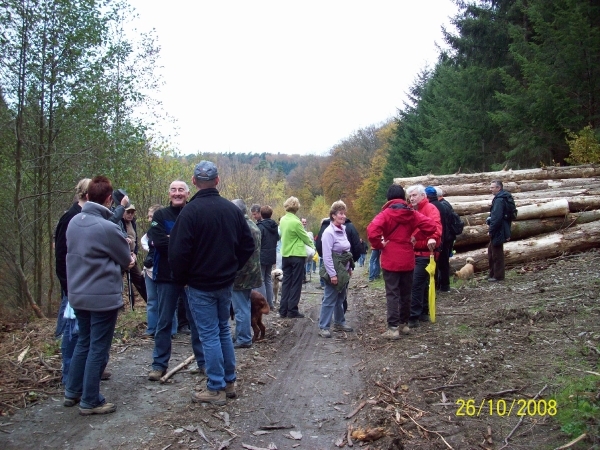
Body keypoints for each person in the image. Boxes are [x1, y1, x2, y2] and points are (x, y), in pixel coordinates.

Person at [169, 160, 255, 405]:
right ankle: (229, 381)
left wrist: (182, 278)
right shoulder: (232, 210)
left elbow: (177, 252)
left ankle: (215, 386)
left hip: (199, 285)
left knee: (209, 334)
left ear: (194, 183)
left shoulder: (189, 212)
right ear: (217, 181)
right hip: (224, 282)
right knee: (221, 331)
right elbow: (248, 245)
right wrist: (232, 267)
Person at [63, 175, 134, 415]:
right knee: (98, 347)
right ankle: (90, 400)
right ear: (107, 199)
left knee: (84, 341)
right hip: (102, 297)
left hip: (78, 295)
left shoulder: (74, 221)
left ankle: (72, 391)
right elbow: (125, 259)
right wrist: (130, 258)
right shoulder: (106, 227)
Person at [147, 181, 205, 382]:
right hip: (166, 276)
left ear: (188, 193)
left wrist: (173, 239)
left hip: (191, 277)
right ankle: (158, 365)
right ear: (169, 192)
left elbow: (200, 244)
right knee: (164, 322)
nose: (177, 193)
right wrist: (182, 241)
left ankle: (203, 363)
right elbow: (159, 243)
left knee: (196, 321)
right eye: (174, 190)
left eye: (181, 190)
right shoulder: (160, 215)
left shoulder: (195, 212)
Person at [367, 184, 438, 339]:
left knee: (392, 293)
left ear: (388, 198)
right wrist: (415, 237)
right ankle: (403, 324)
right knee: (406, 292)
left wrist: (379, 245)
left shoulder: (385, 214)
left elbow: (372, 231)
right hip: (407, 257)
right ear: (404, 197)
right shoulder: (412, 213)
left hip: (391, 257)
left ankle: (393, 328)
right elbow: (431, 226)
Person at [54, 178, 91, 385]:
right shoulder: (70, 218)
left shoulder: (86, 216)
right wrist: (68, 287)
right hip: (73, 286)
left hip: (86, 285)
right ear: (87, 195)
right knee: (72, 332)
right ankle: (70, 376)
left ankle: (85, 371)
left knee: (84, 332)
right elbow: (61, 256)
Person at [406, 185, 442, 328]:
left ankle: (413, 316)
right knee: (422, 283)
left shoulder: (430, 209)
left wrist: (432, 238)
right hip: (414, 252)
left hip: (426, 253)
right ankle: (423, 312)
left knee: (416, 283)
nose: (412, 198)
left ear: (423, 196)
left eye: (414, 195)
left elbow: (436, 227)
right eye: (410, 196)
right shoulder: (411, 210)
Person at [317, 201, 354, 338]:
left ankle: (339, 322)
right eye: (340, 213)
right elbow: (326, 256)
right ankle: (323, 327)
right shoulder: (328, 232)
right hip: (332, 270)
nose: (343, 216)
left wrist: (348, 268)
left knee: (340, 297)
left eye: (344, 213)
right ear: (333, 215)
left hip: (343, 270)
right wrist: (332, 274)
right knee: (329, 298)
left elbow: (346, 251)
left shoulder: (343, 230)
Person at [141, 204, 177, 339]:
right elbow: (147, 243)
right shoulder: (150, 231)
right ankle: (152, 328)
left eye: (152, 216)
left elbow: (165, 243)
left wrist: (163, 241)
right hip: (150, 269)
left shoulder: (166, 225)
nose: (150, 219)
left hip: (164, 269)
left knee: (167, 301)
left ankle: (171, 329)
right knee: (152, 300)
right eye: (149, 216)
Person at [231, 199, 263, 349]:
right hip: (252, 272)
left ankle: (243, 338)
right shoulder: (253, 225)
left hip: (241, 274)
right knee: (244, 303)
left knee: (240, 307)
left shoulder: (238, 227)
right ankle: (240, 334)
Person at [278, 197, 315, 319]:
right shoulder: (296, 222)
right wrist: (313, 247)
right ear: (297, 207)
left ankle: (283, 310)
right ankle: (292, 310)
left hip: (285, 254)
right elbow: (305, 237)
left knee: (286, 282)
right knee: (296, 283)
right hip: (297, 255)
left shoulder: (282, 220)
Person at [424, 186, 453, 293]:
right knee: (444, 263)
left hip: (438, 239)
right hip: (446, 237)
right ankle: (445, 286)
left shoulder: (431, 207)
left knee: (434, 263)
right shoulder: (443, 205)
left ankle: (435, 286)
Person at [121, 204, 148, 303]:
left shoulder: (133, 223)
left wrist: (135, 253)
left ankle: (149, 301)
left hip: (132, 256)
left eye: (132, 212)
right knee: (118, 280)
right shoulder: (119, 223)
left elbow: (135, 240)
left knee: (140, 280)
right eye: (128, 212)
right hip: (121, 256)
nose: (130, 215)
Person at [487, 180, 512, 282]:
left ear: (499, 188)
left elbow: (496, 218)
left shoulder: (499, 200)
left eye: (492, 187)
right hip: (501, 227)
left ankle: (498, 276)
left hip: (499, 229)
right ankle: (493, 273)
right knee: (491, 250)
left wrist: (491, 230)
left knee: (497, 253)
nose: (491, 189)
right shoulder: (501, 198)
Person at [256, 205, 279, 309]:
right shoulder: (275, 226)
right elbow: (277, 238)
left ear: (261, 214)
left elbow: (257, 242)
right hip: (271, 255)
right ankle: (270, 303)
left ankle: (263, 304)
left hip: (261, 256)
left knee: (261, 280)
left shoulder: (260, 227)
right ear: (271, 214)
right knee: (268, 279)